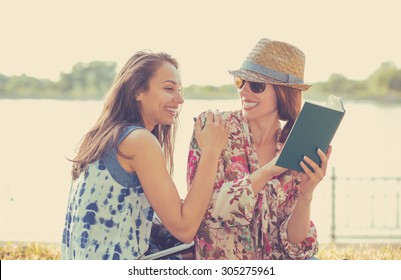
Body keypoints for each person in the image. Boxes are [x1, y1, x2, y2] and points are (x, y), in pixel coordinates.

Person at [61, 50, 228, 260]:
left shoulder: (104, 135)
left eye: (180, 89)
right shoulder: (139, 141)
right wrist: (212, 151)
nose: (180, 99)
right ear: (138, 91)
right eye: (169, 88)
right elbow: (185, 229)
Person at [187, 38, 332, 260]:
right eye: (240, 81)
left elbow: (295, 244)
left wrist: (306, 194)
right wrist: (268, 171)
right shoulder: (214, 129)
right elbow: (203, 214)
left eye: (256, 85)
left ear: (283, 93)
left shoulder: (293, 146)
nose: (244, 91)